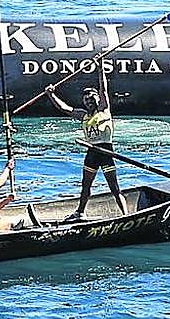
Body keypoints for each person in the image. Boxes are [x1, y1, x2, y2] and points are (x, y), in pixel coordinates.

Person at [46, 69, 129, 220]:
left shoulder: (103, 110)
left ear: (98, 99)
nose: (89, 101)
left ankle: (125, 215)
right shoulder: (83, 115)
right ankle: (80, 212)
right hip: (92, 153)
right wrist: (51, 94)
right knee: (86, 185)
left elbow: (103, 88)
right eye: (86, 99)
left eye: (92, 98)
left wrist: (100, 67)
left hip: (106, 152)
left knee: (114, 188)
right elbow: (64, 108)